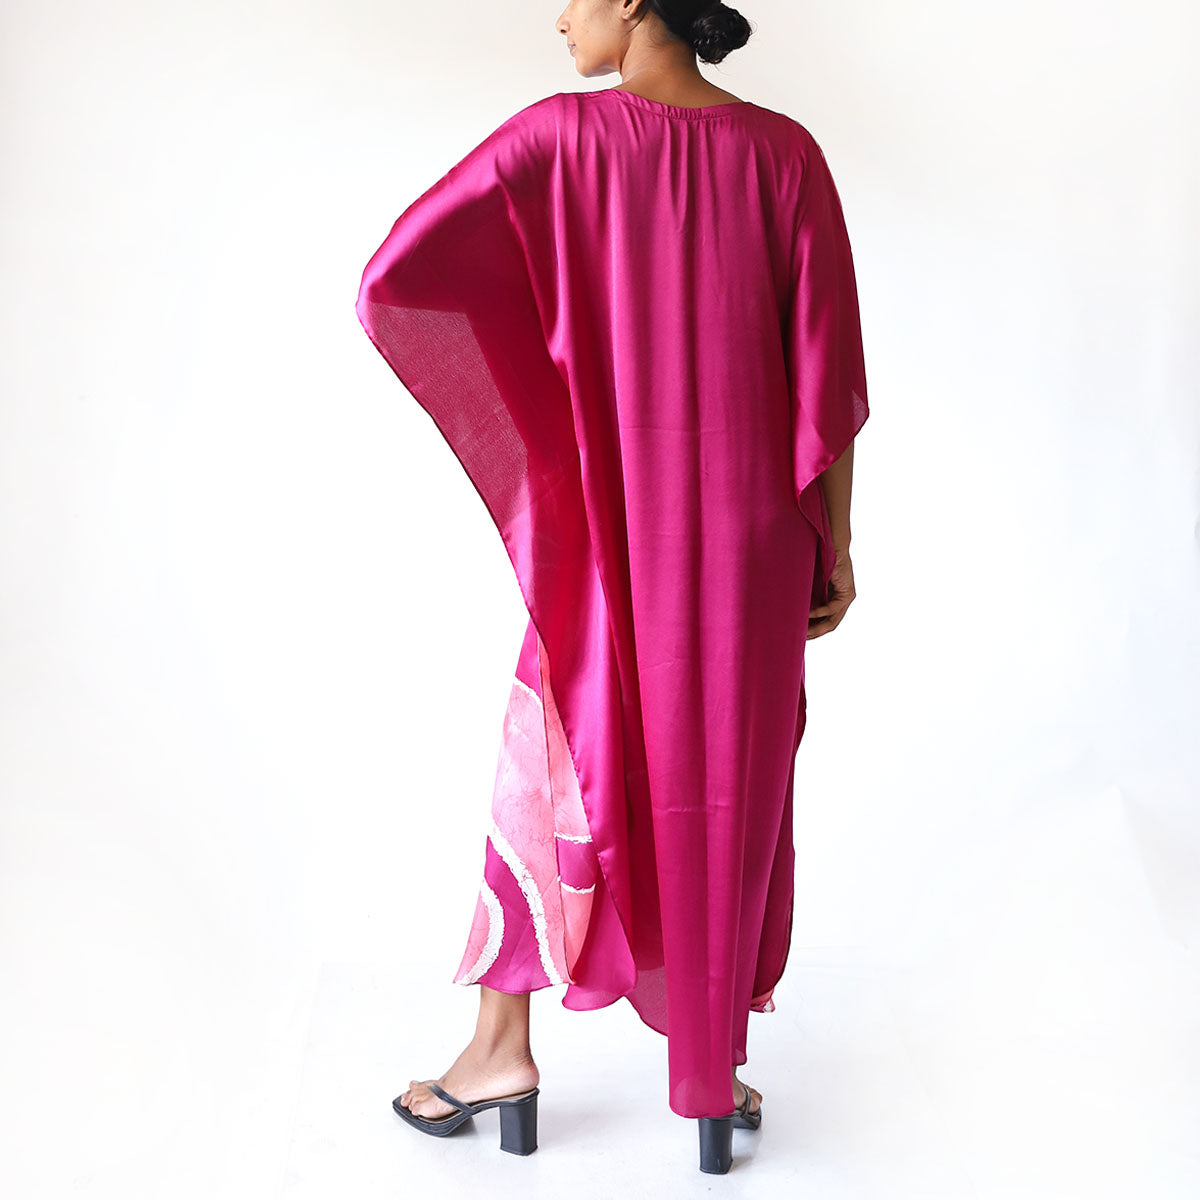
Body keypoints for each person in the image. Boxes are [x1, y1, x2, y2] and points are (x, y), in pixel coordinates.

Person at [355, 0, 869, 1175]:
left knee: (555, 761)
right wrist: (836, 547)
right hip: (754, 545)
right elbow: (829, 377)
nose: (558, 18)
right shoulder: (786, 155)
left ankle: (501, 1051)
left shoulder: (559, 141)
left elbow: (397, 276)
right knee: (726, 784)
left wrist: (559, 418)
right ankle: (711, 1075)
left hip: (609, 534)